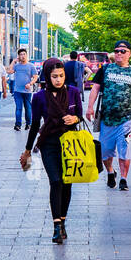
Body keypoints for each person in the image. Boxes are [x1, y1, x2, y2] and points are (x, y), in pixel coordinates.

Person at [21, 58, 85, 243]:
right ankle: (56, 226)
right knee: (55, 181)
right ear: (47, 76)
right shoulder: (39, 97)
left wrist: (75, 119)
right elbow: (34, 125)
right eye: (54, 76)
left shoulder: (73, 92)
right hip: (49, 143)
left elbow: (80, 115)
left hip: (70, 144)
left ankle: (63, 221)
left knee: (67, 182)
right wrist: (27, 150)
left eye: (61, 76)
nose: (58, 80)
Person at [86, 40, 131, 191]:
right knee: (105, 152)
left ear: (129, 54)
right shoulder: (105, 69)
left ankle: (124, 179)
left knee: (124, 149)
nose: (119, 53)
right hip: (106, 119)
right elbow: (95, 88)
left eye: (123, 51)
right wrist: (90, 107)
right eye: (117, 51)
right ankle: (111, 172)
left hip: (125, 120)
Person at [8, 47, 39, 132]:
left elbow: (35, 77)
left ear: (26, 55)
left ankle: (28, 124)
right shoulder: (16, 66)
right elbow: (9, 71)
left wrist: (30, 83)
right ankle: (17, 125)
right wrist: (13, 62)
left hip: (27, 91)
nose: (22, 56)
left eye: (24, 54)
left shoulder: (31, 66)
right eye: (21, 54)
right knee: (18, 108)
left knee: (28, 108)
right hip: (17, 91)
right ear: (18, 56)